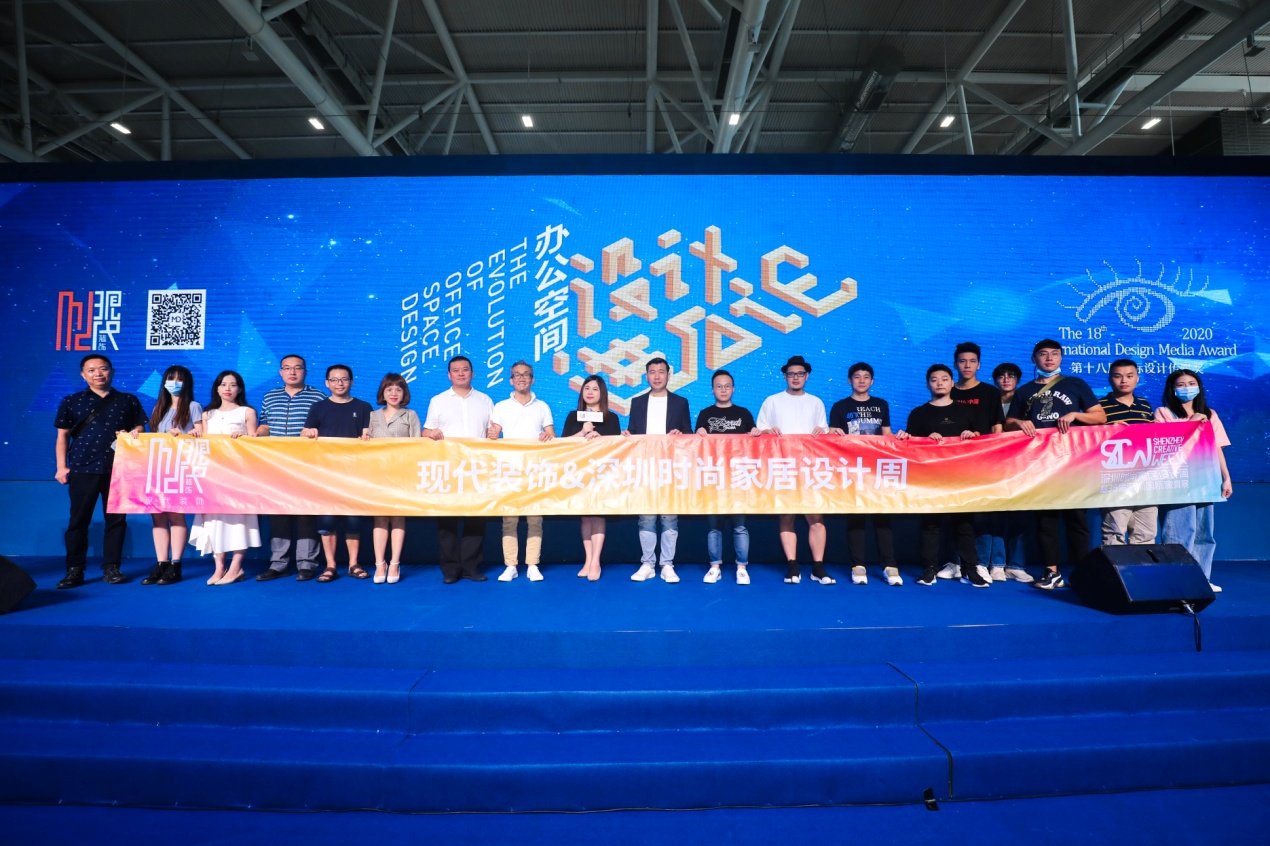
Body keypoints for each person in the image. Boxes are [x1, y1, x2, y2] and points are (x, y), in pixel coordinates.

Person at [1005, 339, 1107, 590]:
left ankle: (1082, 572)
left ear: (1061, 357)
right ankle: (1052, 572)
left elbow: (1100, 417)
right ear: (1034, 359)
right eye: (1043, 354)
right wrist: (1019, 423)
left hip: (1073, 461)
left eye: (1054, 354)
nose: (1049, 358)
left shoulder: (1075, 384)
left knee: (1077, 519)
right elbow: (1008, 423)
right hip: (1040, 463)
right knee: (1045, 519)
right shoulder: (1024, 391)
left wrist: (1075, 415)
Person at [53, 354, 148, 588]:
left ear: (112, 372)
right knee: (78, 521)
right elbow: (62, 436)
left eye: (103, 369)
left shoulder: (128, 400)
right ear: (83, 375)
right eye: (92, 370)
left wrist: (135, 432)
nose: (98, 374)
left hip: (120, 469)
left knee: (116, 521)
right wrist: (61, 467)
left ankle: (112, 568)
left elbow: (140, 428)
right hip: (83, 467)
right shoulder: (71, 401)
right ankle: (74, 570)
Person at [899, 365, 989, 588]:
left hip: (962, 478)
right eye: (934, 379)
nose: (939, 383)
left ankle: (969, 570)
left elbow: (983, 438)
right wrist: (923, 439)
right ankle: (929, 569)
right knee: (930, 525)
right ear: (927, 384)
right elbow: (910, 444)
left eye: (944, 379)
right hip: (930, 479)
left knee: (965, 525)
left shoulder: (966, 411)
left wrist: (973, 434)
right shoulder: (918, 413)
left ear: (952, 383)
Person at [755, 355, 832, 585]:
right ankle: (792, 565)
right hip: (783, 466)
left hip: (810, 467)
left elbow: (824, 432)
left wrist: (824, 431)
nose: (795, 378)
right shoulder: (772, 401)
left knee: (816, 517)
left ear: (807, 376)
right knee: (787, 515)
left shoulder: (816, 402)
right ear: (785, 377)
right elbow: (759, 431)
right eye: (791, 374)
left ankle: (818, 567)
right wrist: (768, 431)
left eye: (800, 374)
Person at [1154, 369, 1233, 592]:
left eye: (1191, 383)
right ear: (1172, 389)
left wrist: (1226, 478)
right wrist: (1191, 423)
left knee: (1204, 534)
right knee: (1179, 532)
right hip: (1176, 480)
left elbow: (1217, 447)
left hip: (1206, 478)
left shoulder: (1209, 413)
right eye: (1181, 384)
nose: (1187, 388)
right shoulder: (1163, 413)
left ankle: (1201, 580)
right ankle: (1177, 581)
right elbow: (1165, 444)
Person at [827, 362, 901, 586]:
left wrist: (900, 439)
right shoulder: (840, 406)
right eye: (857, 376)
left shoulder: (881, 404)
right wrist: (833, 434)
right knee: (856, 519)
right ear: (849, 380)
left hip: (877, 471)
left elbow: (887, 435)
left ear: (872, 381)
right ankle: (858, 566)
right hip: (853, 471)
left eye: (866, 376)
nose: (861, 380)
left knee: (883, 519)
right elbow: (831, 437)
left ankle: (889, 565)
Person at [255, 355, 327, 582]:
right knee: (278, 514)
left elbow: (323, 428)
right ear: (281, 372)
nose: (292, 372)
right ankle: (279, 564)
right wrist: (256, 433)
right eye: (287, 368)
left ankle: (306, 564)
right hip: (276, 464)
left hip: (306, 464)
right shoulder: (270, 396)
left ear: (305, 371)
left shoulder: (318, 396)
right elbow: (265, 425)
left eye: (297, 368)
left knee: (306, 514)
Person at [423, 355, 495, 584]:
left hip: (477, 467)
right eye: (456, 370)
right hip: (448, 468)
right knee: (447, 521)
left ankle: (471, 567)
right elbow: (425, 431)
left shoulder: (485, 400)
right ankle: (451, 569)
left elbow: (493, 432)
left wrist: (494, 433)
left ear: (472, 373)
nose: (461, 373)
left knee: (476, 519)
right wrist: (430, 433)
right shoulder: (438, 400)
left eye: (465, 369)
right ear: (449, 375)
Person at [302, 364, 373, 583]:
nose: (339, 383)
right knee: (326, 520)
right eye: (334, 380)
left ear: (352, 382)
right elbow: (305, 432)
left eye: (344, 379)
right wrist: (308, 432)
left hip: (354, 474)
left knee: (353, 520)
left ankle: (353, 564)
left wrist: (367, 439)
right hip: (325, 474)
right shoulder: (318, 407)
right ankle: (330, 565)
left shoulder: (363, 407)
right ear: (327, 383)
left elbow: (369, 436)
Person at [189, 370, 261, 585]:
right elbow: (204, 444)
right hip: (213, 474)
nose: (228, 388)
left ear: (240, 389)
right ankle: (219, 567)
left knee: (239, 520)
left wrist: (245, 438)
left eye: (233, 384)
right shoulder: (207, 414)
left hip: (239, 474)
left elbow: (255, 442)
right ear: (217, 388)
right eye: (223, 384)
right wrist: (194, 435)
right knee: (214, 520)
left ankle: (236, 567)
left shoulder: (247, 412)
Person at [488, 361, 556, 582]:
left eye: (526, 375)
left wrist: (548, 436)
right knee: (509, 520)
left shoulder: (542, 406)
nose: (521, 378)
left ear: (532, 379)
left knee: (535, 519)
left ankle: (533, 564)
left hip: (535, 471)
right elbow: (493, 434)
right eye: (517, 375)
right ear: (511, 380)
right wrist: (492, 434)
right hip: (509, 470)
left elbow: (552, 435)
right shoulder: (501, 407)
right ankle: (511, 565)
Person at [625, 357, 692, 584]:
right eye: (652, 372)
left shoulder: (680, 402)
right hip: (645, 467)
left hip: (670, 467)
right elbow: (633, 432)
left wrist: (680, 435)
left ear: (668, 375)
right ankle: (647, 563)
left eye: (661, 371)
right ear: (646, 376)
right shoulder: (637, 402)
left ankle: (667, 564)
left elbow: (688, 434)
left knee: (669, 517)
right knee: (646, 517)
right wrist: (627, 436)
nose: (656, 376)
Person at [946, 342, 1006, 584]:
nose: (967, 366)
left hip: (983, 461)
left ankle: (979, 563)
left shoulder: (990, 392)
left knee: (982, 513)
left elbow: (997, 427)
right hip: (953, 463)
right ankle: (955, 562)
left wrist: (996, 454)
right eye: (962, 361)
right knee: (955, 512)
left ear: (979, 365)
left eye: (972, 361)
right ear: (955, 364)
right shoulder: (948, 390)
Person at [141, 365, 203, 587]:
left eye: (179, 379)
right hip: (158, 467)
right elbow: (153, 438)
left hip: (180, 467)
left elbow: (202, 436)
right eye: (170, 378)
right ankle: (161, 563)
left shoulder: (194, 406)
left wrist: (186, 434)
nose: (174, 383)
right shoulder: (159, 407)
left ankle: (176, 564)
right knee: (158, 517)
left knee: (176, 516)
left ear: (187, 383)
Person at [696, 369, 756, 585]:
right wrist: (699, 434)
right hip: (714, 477)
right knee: (714, 526)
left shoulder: (744, 413)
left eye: (727, 386)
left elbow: (755, 441)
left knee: (740, 526)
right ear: (712, 390)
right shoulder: (704, 414)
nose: (723, 390)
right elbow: (696, 445)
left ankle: (742, 567)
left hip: (738, 477)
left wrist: (756, 433)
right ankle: (715, 567)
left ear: (733, 389)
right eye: (719, 386)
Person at [561, 375, 622, 580]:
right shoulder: (573, 416)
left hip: (602, 473)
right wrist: (582, 432)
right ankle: (588, 560)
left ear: (602, 393)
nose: (590, 392)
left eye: (595, 389)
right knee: (585, 516)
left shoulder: (612, 418)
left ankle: (596, 561)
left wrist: (600, 438)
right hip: (579, 473)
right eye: (586, 388)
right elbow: (563, 444)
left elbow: (617, 446)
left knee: (598, 514)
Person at [1098, 359, 1158, 547]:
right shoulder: (1098, 407)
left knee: (1146, 533)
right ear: (1110, 379)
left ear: (1137, 378)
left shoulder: (1145, 405)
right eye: (1118, 376)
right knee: (1114, 533)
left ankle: (1143, 566)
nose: (1124, 380)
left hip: (1145, 477)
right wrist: (1108, 430)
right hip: (1115, 479)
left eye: (1129, 376)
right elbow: (1089, 440)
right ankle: (1115, 567)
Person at [368, 373, 420, 585]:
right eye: (389, 389)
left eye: (398, 389)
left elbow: (418, 446)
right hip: (377, 473)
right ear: (383, 392)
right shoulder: (372, 416)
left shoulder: (410, 415)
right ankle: (379, 564)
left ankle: (395, 563)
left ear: (404, 393)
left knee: (398, 517)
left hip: (401, 473)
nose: (393, 393)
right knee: (380, 518)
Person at [987, 361, 1030, 581]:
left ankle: (1016, 565)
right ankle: (997, 564)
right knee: (996, 515)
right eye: (1001, 376)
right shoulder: (988, 400)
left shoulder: (1027, 401)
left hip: (1021, 464)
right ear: (995, 380)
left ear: (1018, 380)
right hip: (993, 464)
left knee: (1019, 515)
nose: (1006, 379)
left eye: (1011, 375)